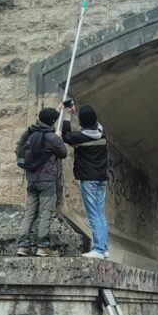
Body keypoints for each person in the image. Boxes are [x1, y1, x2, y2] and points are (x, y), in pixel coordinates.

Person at [15, 107, 67, 257]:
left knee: (30, 213)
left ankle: (23, 246)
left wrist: (58, 109)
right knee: (45, 213)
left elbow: (19, 148)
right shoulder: (51, 137)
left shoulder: (29, 132)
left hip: (31, 180)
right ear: (51, 122)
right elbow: (62, 153)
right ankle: (42, 247)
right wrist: (58, 137)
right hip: (47, 181)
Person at [60, 102, 109, 259]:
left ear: (82, 121)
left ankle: (99, 250)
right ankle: (104, 247)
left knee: (93, 214)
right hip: (102, 178)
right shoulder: (102, 132)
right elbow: (82, 133)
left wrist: (68, 114)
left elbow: (67, 137)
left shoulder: (80, 137)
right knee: (100, 213)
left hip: (89, 179)